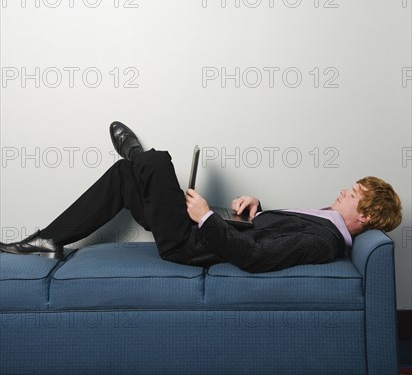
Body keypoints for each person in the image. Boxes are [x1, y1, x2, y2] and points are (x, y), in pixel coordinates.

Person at [0, 122, 403, 273]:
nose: (342, 191)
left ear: (365, 216)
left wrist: (208, 217)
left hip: (191, 245)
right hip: (197, 233)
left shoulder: (324, 239)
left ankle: (139, 156)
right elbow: (268, 237)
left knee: (155, 162)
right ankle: (49, 239)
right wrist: (256, 210)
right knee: (126, 177)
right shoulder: (322, 223)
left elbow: (256, 257)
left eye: (352, 194)